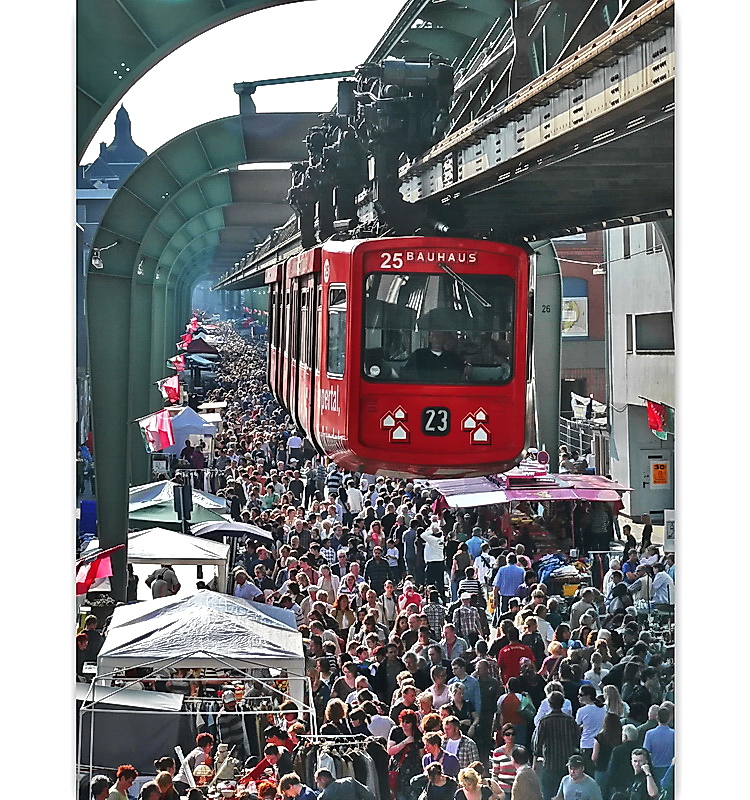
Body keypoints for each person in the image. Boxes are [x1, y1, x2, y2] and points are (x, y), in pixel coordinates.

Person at [532, 692, 581, 800]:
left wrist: (535, 762)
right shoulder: (570, 720)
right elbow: (577, 739)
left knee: (548, 793)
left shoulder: (544, 721)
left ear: (549, 704)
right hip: (567, 763)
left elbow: (537, 744)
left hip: (550, 763)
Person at [401, 330, 466, 382]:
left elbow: (460, 375)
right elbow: (407, 374)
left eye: (440, 336)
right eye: (434, 335)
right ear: (430, 338)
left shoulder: (453, 358)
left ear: (444, 338)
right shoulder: (419, 355)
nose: (437, 338)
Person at [387, 709, 423, 800]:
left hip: (413, 772)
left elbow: (421, 755)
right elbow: (390, 751)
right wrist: (405, 742)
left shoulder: (418, 735)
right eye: (403, 721)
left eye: (408, 722)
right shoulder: (396, 732)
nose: (404, 724)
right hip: (399, 771)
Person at [641, 707, 674, 785]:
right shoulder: (674, 734)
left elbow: (645, 752)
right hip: (670, 769)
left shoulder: (649, 734)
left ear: (657, 718)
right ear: (669, 718)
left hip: (654, 768)